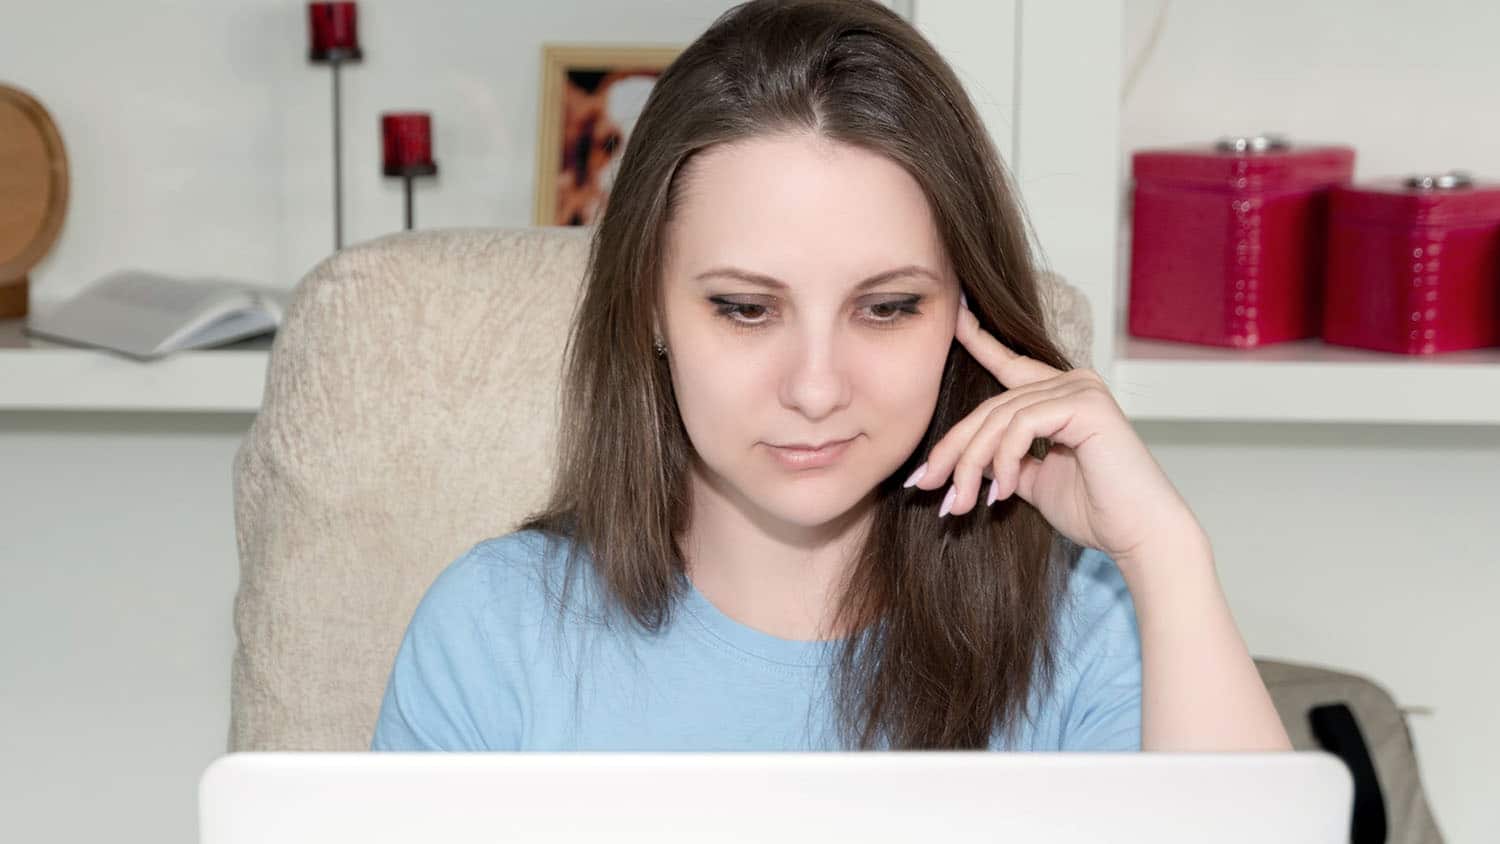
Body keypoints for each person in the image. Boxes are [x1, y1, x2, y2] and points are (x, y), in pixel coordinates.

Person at [371, 0, 1291, 753]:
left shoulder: (1088, 631)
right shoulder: (492, 630)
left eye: (887, 308)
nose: (815, 389)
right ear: (650, 307)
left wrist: (1165, 555)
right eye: (745, 308)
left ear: (963, 314)